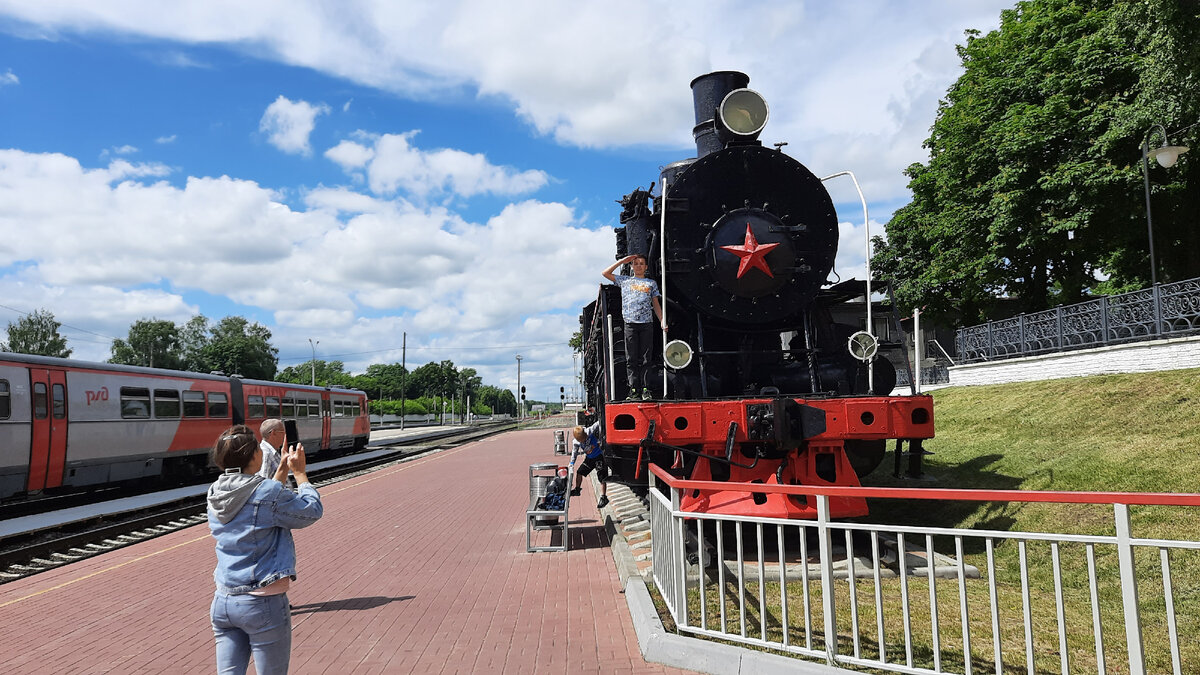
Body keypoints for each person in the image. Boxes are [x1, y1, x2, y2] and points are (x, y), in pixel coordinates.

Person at [207, 424, 323, 675]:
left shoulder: (216, 491)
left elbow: (260, 501)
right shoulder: (265, 492)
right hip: (262, 601)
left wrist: (281, 469)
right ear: (255, 456)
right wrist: (300, 475)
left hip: (224, 600)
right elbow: (310, 512)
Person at [603, 253, 666, 401]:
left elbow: (655, 303)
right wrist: (622, 261)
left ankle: (645, 389)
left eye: (641, 263)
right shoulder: (625, 281)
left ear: (646, 267)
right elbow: (605, 273)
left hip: (647, 324)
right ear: (632, 266)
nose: (638, 266)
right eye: (636, 263)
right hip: (630, 323)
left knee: (646, 358)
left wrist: (662, 320)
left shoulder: (651, 283)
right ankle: (633, 390)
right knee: (631, 358)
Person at [569, 421, 608, 509]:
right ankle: (577, 490)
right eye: (581, 440)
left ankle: (604, 497)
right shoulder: (576, 442)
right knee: (579, 472)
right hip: (589, 459)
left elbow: (599, 422)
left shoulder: (590, 430)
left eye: (584, 438)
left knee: (602, 477)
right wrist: (571, 463)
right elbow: (574, 453)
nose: (583, 440)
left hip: (599, 457)